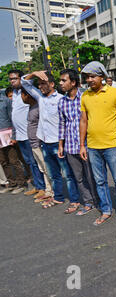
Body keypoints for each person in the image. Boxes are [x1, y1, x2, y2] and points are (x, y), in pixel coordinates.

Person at [21, 71, 81, 211]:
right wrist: (35, 74)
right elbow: (24, 83)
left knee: (68, 174)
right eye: (39, 84)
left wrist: (63, 143)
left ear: (52, 84)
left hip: (59, 143)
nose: (41, 86)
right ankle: (58, 197)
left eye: (44, 83)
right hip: (45, 142)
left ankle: (74, 200)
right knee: (53, 174)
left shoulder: (61, 99)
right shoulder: (40, 98)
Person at [79, 61, 116, 226]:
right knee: (100, 181)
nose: (90, 80)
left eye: (93, 76)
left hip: (113, 145)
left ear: (101, 77)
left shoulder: (115, 93)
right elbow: (83, 121)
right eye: (87, 77)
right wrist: (82, 145)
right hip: (92, 147)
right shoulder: (85, 96)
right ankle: (106, 210)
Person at [58, 69, 98, 215]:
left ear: (73, 82)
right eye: (60, 80)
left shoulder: (86, 97)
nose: (60, 83)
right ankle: (88, 202)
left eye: (64, 80)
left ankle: (99, 201)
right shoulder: (62, 102)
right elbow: (62, 124)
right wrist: (61, 145)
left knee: (92, 176)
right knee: (79, 178)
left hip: (87, 144)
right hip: (69, 146)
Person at [20, 88, 52, 201]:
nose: (21, 98)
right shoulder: (31, 107)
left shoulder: (39, 107)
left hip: (39, 143)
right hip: (33, 144)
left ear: (27, 95)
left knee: (46, 168)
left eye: (22, 95)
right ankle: (47, 190)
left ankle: (51, 192)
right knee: (41, 168)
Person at [0, 89, 27, 194]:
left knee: (13, 160)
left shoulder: (6, 101)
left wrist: (14, 136)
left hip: (8, 134)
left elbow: (13, 118)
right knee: (3, 161)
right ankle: (11, 183)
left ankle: (21, 184)